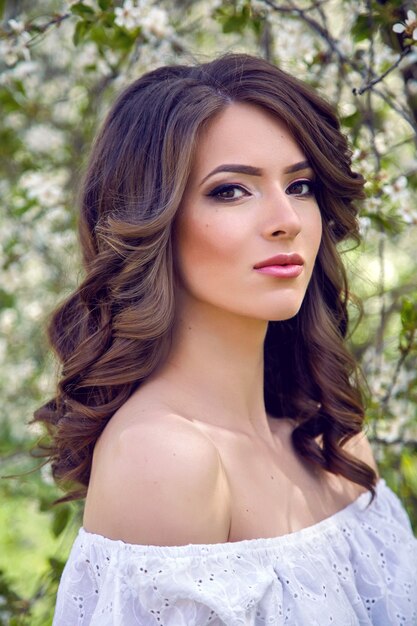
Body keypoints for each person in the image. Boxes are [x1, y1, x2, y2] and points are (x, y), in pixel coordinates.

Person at [35, 53, 417, 625]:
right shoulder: (164, 458)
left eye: (301, 184)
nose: (286, 218)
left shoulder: (331, 439)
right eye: (232, 191)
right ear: (151, 219)